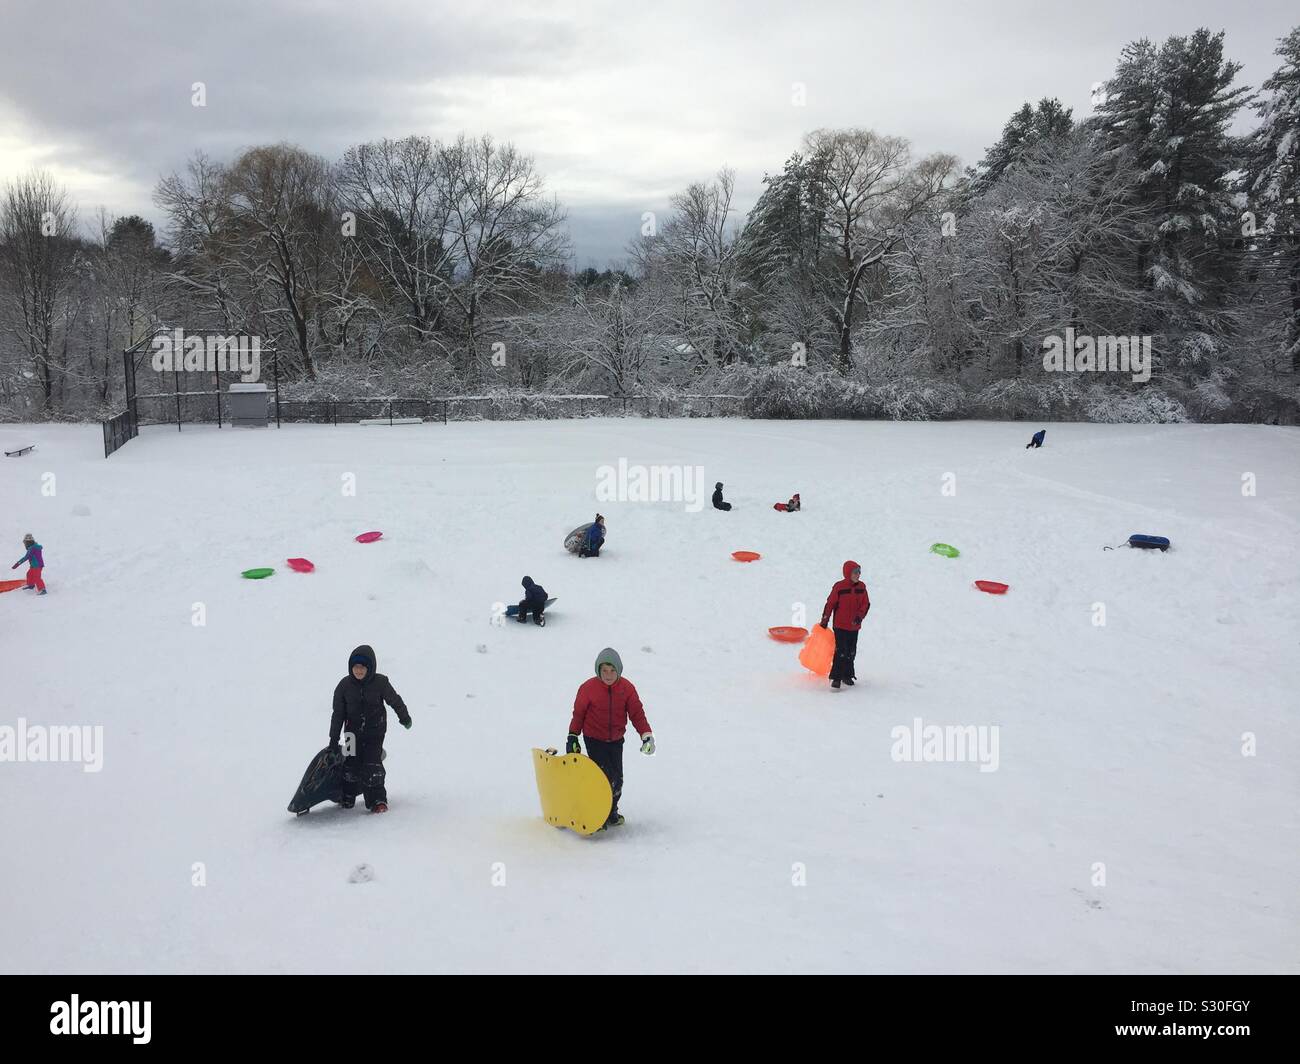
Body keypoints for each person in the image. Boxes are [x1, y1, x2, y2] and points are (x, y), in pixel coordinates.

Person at [566, 648, 654, 829]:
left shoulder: (627, 689)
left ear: (619, 671)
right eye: (604, 670)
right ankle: (595, 815)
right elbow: (578, 714)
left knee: (617, 779)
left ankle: (611, 811)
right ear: (598, 670)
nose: (608, 675)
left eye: (612, 671)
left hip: (616, 741)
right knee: (603, 777)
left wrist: (646, 735)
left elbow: (637, 714)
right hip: (594, 739)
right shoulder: (588, 688)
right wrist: (573, 736)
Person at [329, 644, 412, 812]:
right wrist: (333, 738)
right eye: (355, 667)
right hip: (351, 733)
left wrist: (404, 717)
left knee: (372, 764)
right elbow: (338, 714)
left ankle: (377, 800)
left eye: (362, 667)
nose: (358, 671)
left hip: (375, 731)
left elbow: (394, 700)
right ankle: (347, 797)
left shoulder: (380, 682)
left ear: (370, 667)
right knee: (350, 763)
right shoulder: (344, 686)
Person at [819, 560, 870, 690]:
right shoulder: (839, 587)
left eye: (859, 572)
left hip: (854, 626)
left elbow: (866, 604)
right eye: (855, 572)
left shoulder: (862, 587)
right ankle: (836, 677)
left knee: (851, 651)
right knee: (841, 651)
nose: (858, 574)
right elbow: (830, 604)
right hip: (840, 626)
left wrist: (859, 617)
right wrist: (825, 620)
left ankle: (847, 675)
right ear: (848, 573)